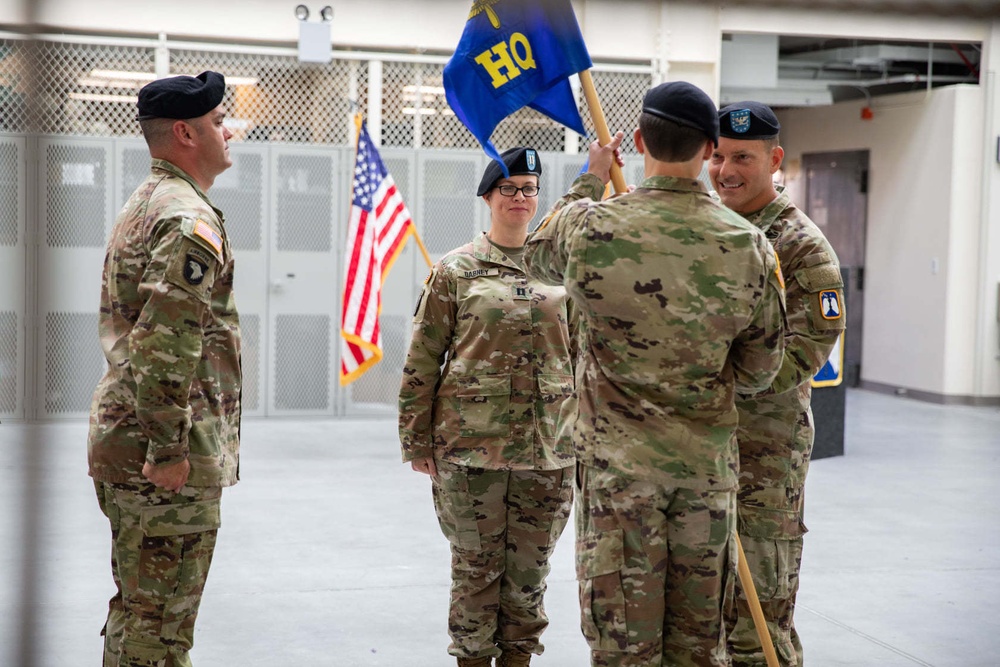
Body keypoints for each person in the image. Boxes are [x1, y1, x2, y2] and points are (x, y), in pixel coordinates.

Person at [523, 81, 787, 667]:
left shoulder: (589, 227)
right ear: (711, 148)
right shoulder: (749, 246)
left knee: (623, 648)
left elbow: (535, 255)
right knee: (697, 646)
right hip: (705, 477)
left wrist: (593, 176)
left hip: (618, 478)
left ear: (639, 140)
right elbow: (762, 371)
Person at [398, 147, 576, 667]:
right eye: (509, 189)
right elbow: (423, 358)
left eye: (528, 189)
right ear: (487, 197)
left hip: (549, 451)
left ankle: (518, 659)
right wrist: (416, 439)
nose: (520, 198)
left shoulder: (561, 270)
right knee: (476, 574)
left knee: (529, 578)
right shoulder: (456, 270)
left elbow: (585, 354)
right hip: (470, 453)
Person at [87, 70, 241, 667]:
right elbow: (165, 343)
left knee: (138, 612)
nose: (227, 131)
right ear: (185, 132)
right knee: (161, 629)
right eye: (216, 122)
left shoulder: (149, 200)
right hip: (159, 451)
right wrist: (169, 449)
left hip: (130, 437)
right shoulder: (186, 220)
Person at [709, 101, 846, 667]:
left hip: (764, 456)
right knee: (710, 614)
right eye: (717, 156)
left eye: (742, 156)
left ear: (775, 160)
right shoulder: (715, 232)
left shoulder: (800, 246)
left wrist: (721, 382)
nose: (726, 170)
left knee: (758, 620)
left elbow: (813, 343)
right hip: (707, 449)